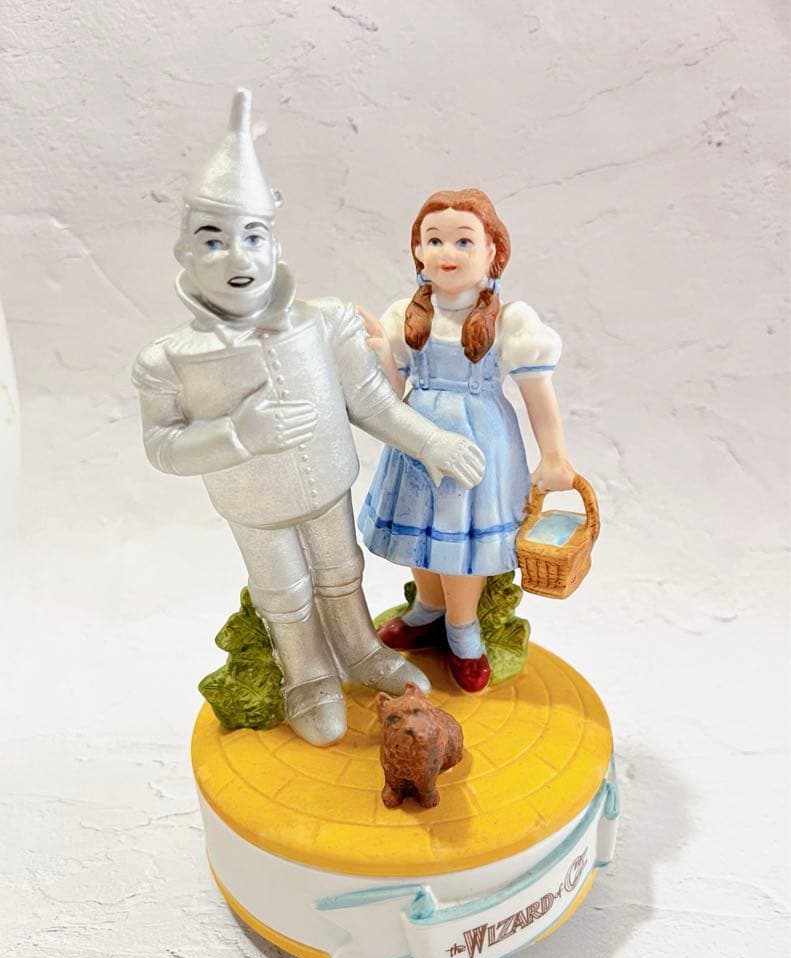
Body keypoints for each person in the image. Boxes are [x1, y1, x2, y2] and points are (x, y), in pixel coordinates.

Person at [132, 93, 485, 746]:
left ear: (274, 244)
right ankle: (307, 676)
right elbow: (162, 445)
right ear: (185, 252)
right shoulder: (169, 360)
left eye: (252, 237)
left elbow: (370, 401)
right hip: (252, 504)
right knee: (284, 591)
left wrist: (430, 440)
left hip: (327, 484)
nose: (237, 259)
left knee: (340, 570)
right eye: (213, 241)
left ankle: (359, 651)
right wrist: (236, 434)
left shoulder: (324, 322)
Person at [358, 189, 576, 693]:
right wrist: (383, 357)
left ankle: (462, 628)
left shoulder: (508, 321)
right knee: (421, 531)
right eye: (434, 240)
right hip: (416, 439)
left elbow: (538, 394)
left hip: (478, 446)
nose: (447, 253)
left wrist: (555, 455)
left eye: (463, 241)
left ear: (492, 251)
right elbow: (389, 398)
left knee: (461, 543)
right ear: (418, 251)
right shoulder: (407, 316)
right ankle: (428, 607)